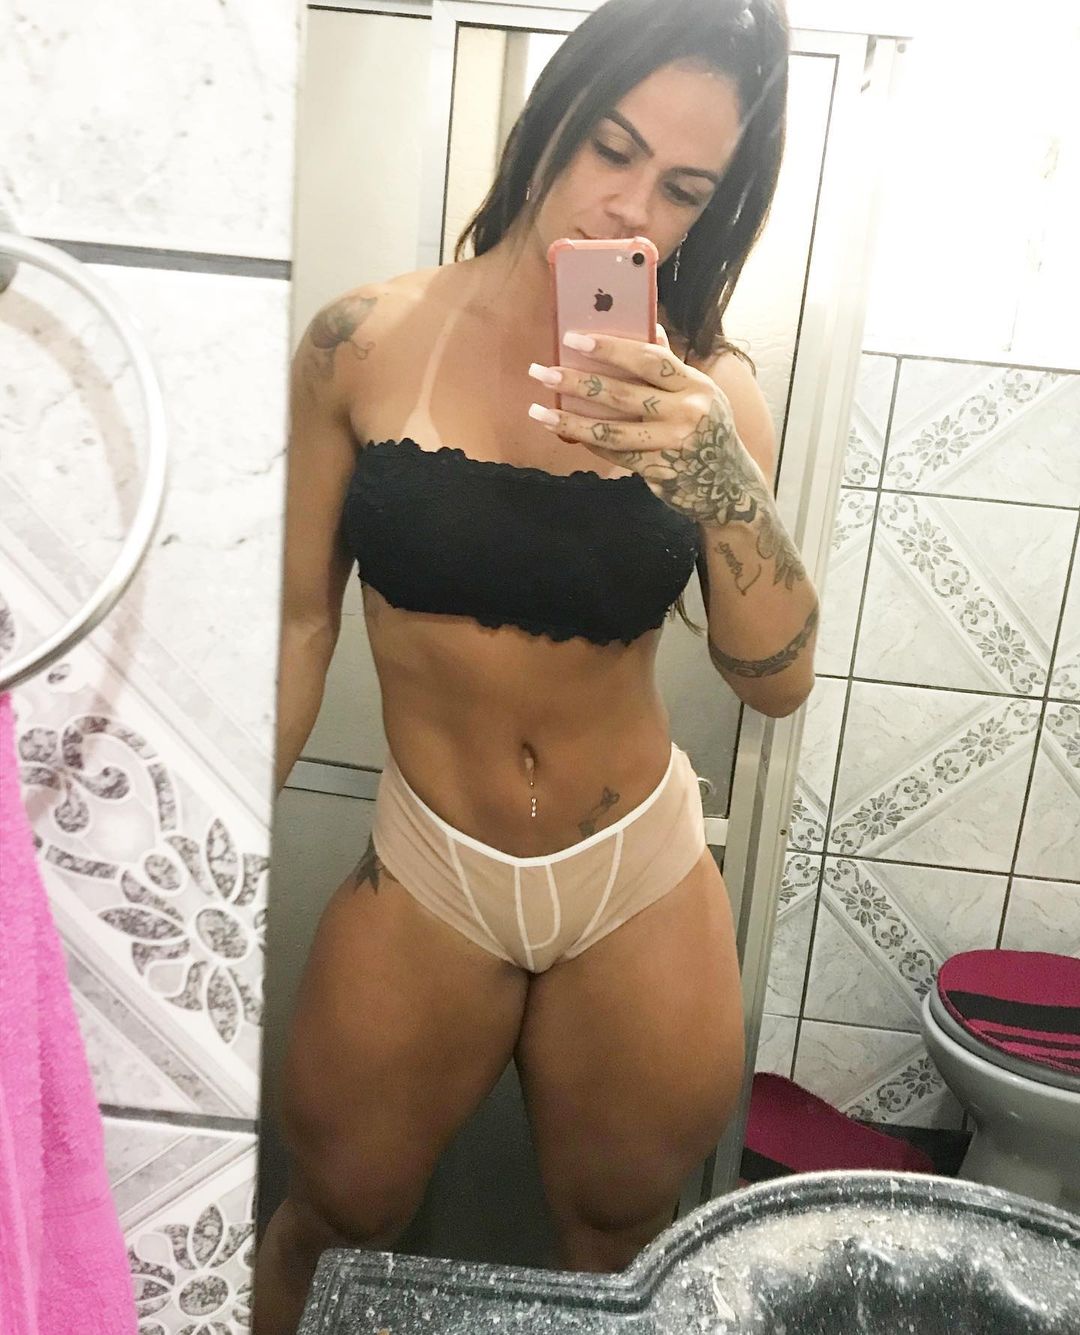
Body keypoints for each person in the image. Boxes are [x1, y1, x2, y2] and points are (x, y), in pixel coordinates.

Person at [254, 0, 816, 1329]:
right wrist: (211, 861)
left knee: (624, 1245)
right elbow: (296, 627)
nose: (631, 209)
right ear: (550, 118)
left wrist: (719, 481)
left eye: (684, 190)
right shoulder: (361, 343)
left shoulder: (711, 394)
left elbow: (776, 681)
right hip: (430, 865)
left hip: (638, 874)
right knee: (335, 1218)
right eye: (611, 147)